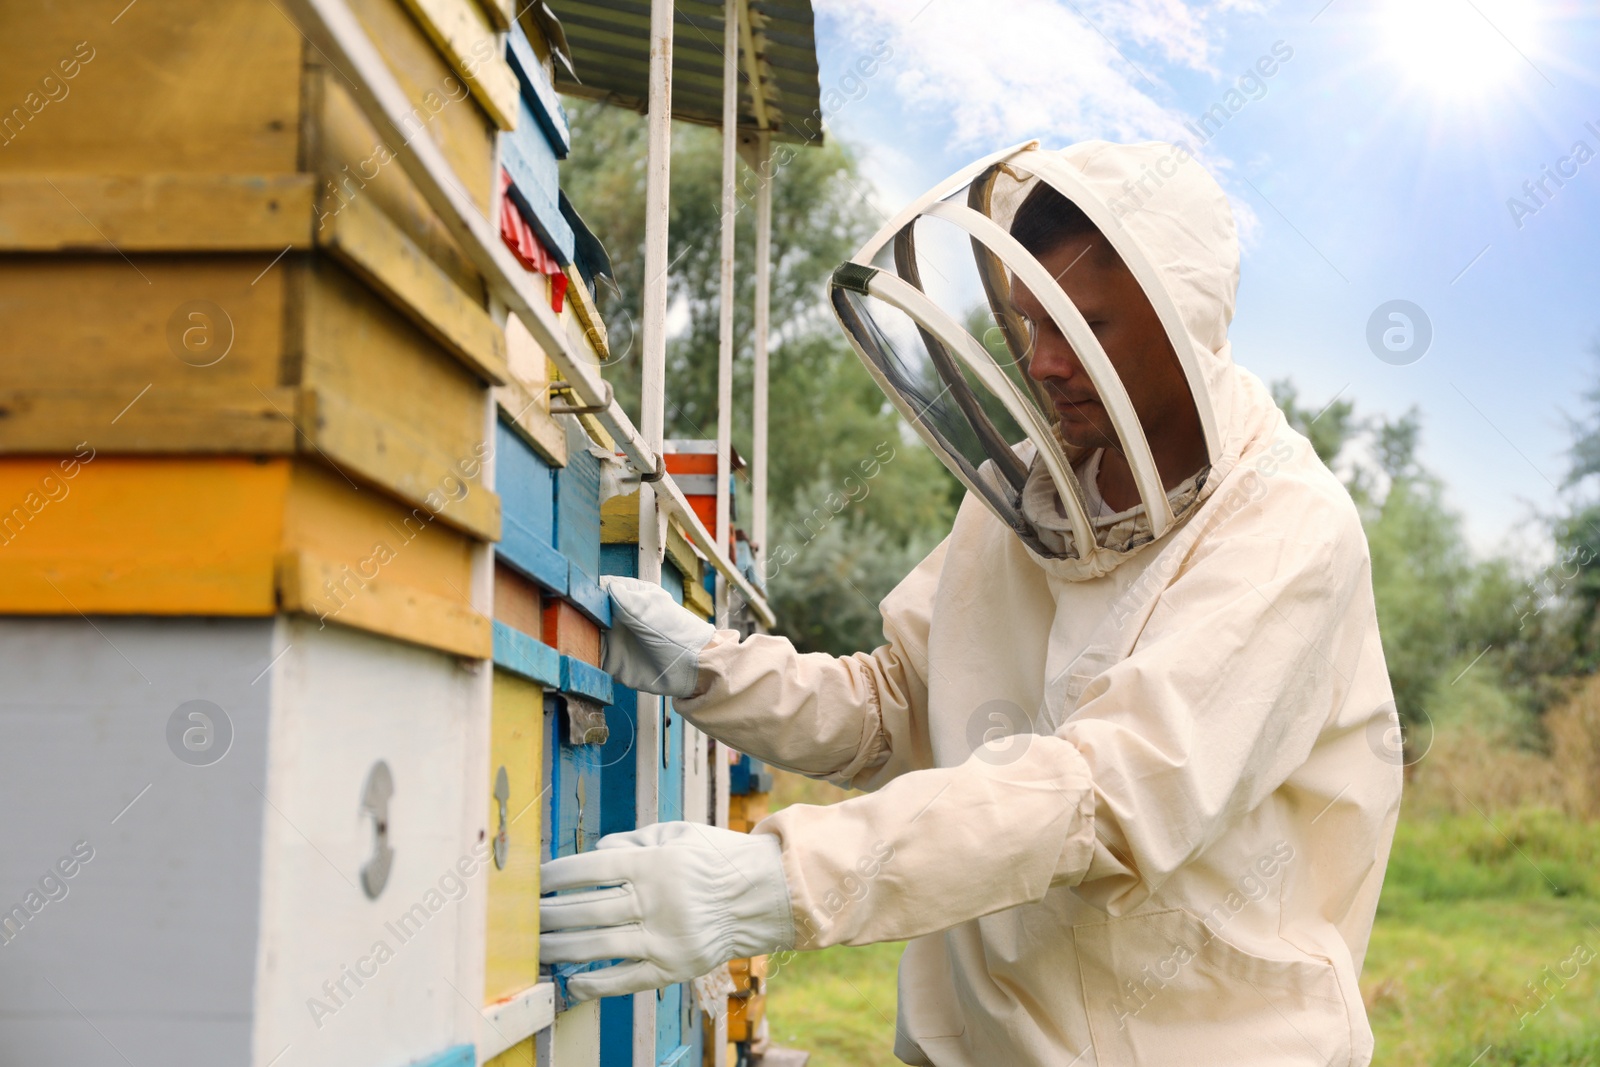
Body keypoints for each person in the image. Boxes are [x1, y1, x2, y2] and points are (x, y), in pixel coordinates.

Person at [540, 141, 1402, 1067]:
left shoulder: (1285, 531)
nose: (1046, 363)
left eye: (1089, 326)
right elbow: (897, 704)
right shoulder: (1028, 495)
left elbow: (1104, 796)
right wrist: (711, 670)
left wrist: (777, 880)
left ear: (1183, 328)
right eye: (1032, 323)